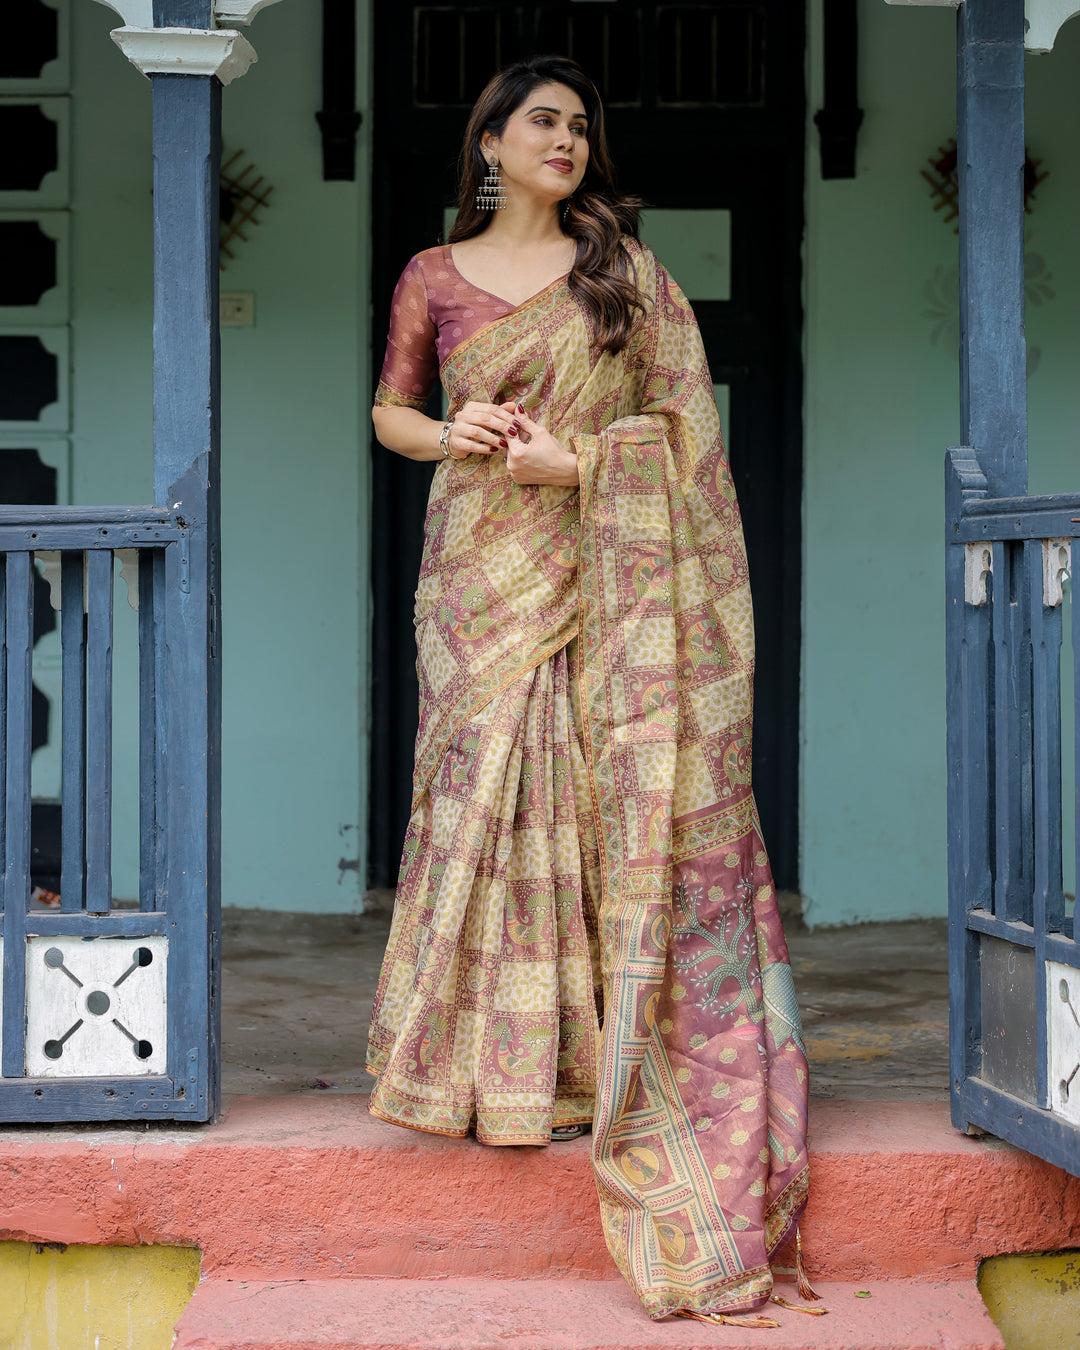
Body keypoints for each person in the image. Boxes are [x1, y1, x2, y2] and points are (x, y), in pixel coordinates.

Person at [367, 55, 811, 1326]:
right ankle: (466, 1066)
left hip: (598, 575)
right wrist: (452, 436)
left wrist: (580, 469)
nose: (567, 141)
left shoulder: (627, 277)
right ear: (490, 143)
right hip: (475, 578)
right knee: (478, 805)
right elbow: (390, 412)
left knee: (587, 807)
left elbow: (690, 431)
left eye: (580, 127)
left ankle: (575, 1069)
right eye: (543, 123)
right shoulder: (433, 276)